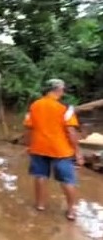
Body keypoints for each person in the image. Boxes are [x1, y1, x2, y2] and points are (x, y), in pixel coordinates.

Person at [23, 79, 83, 221]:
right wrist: (78, 151)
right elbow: (71, 132)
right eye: (62, 89)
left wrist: (28, 146)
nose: (63, 92)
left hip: (38, 147)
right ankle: (71, 210)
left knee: (40, 176)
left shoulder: (35, 105)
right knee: (67, 180)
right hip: (60, 150)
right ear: (58, 90)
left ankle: (40, 205)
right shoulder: (65, 107)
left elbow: (28, 129)